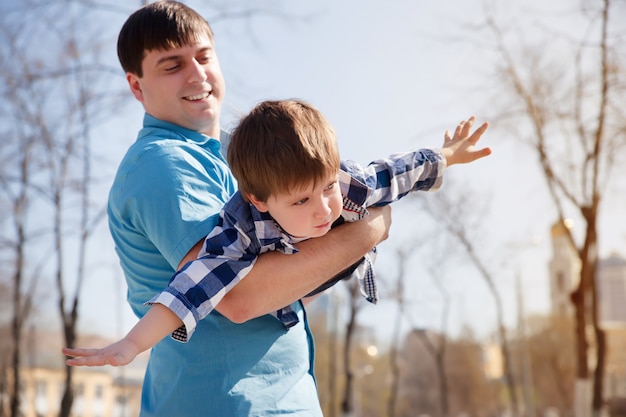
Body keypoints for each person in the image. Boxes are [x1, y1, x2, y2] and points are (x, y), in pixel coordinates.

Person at [62, 2, 392, 416]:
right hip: (225, 403)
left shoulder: (236, 158)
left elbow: (291, 276)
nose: (197, 74)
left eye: (203, 57)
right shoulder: (164, 163)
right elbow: (238, 296)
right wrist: (371, 228)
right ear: (136, 86)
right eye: (172, 65)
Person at [64, 99, 490, 369]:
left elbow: (400, 170)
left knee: (367, 193)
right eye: (301, 202)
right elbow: (191, 287)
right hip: (280, 274)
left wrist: (449, 155)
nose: (324, 209)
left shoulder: (347, 185)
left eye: (326, 188)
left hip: (329, 261)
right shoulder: (240, 230)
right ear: (259, 199)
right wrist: (132, 344)